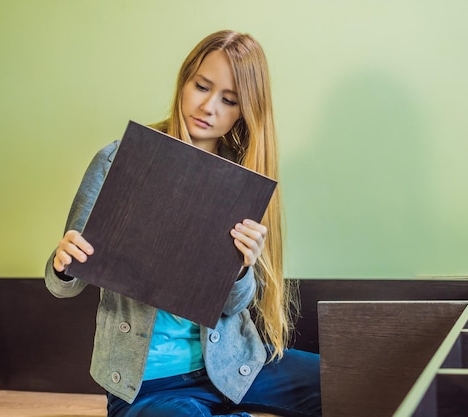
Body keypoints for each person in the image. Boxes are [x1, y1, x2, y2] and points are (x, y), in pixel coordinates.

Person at [44, 30, 322, 417]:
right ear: (185, 79)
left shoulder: (242, 176)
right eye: (202, 87)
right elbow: (63, 283)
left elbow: (234, 305)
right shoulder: (116, 160)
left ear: (245, 110)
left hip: (236, 366)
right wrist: (64, 261)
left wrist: (242, 269)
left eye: (229, 100)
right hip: (149, 385)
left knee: (350, 379)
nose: (209, 107)